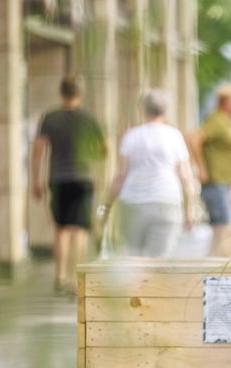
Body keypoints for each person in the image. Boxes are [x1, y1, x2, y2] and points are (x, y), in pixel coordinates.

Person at [30, 75, 107, 293]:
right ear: (79, 93)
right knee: (80, 231)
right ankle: (75, 279)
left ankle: (60, 277)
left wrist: (35, 181)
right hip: (83, 179)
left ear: (61, 93)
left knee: (61, 230)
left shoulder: (50, 118)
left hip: (58, 179)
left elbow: (38, 151)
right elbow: (104, 149)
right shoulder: (88, 118)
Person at [100, 89, 195, 257]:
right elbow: (186, 177)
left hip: (132, 203)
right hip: (166, 201)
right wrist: (190, 209)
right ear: (165, 111)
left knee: (132, 258)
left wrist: (106, 206)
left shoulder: (131, 136)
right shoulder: (174, 136)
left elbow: (120, 175)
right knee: (159, 261)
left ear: (143, 109)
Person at [189, 84, 231, 255]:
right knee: (222, 227)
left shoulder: (228, 123)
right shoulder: (217, 120)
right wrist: (201, 168)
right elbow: (195, 138)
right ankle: (213, 267)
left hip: (225, 183)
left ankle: (215, 265)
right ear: (225, 102)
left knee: (223, 228)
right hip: (215, 182)